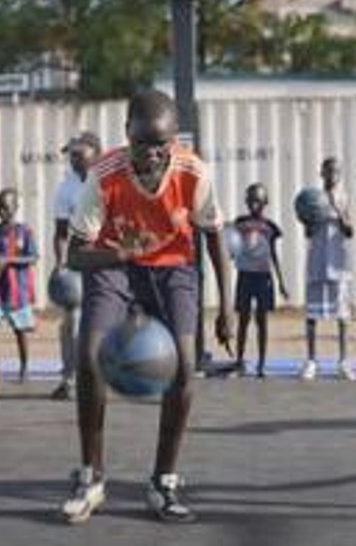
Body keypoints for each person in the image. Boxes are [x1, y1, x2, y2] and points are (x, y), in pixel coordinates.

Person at [60, 89, 232, 525]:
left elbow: (213, 237)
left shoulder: (193, 172)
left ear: (174, 141)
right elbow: (75, 256)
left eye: (162, 146)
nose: (152, 155)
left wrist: (226, 307)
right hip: (115, 267)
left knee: (185, 366)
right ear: (126, 136)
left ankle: (163, 480)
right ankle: (91, 476)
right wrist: (120, 255)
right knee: (89, 357)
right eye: (142, 145)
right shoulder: (104, 175)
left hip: (173, 269)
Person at [49, 131, 102, 400]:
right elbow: (60, 232)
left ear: (96, 153)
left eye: (79, 153)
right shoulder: (66, 188)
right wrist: (60, 264)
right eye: (71, 154)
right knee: (71, 321)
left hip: (111, 260)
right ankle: (69, 379)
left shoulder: (109, 181)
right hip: (79, 262)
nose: (73, 159)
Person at [300, 157, 356, 381]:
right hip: (317, 262)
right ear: (321, 173)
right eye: (328, 171)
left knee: (342, 316)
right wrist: (309, 219)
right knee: (312, 315)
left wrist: (340, 211)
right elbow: (308, 233)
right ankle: (311, 360)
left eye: (336, 172)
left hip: (338, 264)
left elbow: (350, 231)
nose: (332, 175)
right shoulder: (313, 198)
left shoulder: (343, 197)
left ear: (340, 175)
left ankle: (343, 361)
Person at [230, 183, 288, 378]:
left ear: (264, 203)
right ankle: (239, 360)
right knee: (243, 319)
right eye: (252, 201)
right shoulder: (239, 223)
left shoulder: (269, 227)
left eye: (258, 201)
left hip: (263, 276)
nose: (255, 205)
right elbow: (231, 245)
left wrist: (281, 283)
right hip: (245, 275)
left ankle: (262, 363)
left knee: (261, 321)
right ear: (247, 202)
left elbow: (273, 254)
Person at [0, 188, 40, 383]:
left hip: (18, 290)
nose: (3, 211)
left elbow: (33, 257)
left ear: (16, 208)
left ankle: (24, 367)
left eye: (7, 207)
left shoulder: (25, 231)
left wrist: (8, 260)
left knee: (20, 330)